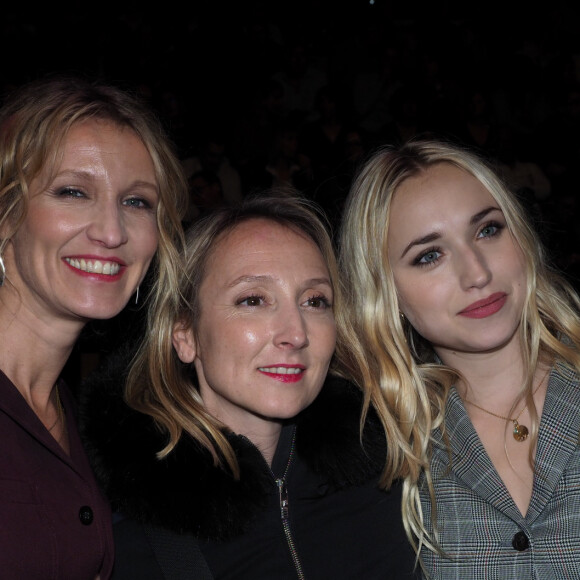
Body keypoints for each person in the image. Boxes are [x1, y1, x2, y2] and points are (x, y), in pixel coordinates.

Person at [79, 193, 419, 579]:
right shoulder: (114, 533)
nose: (295, 334)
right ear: (185, 333)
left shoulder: (390, 477)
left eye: (315, 301)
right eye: (253, 300)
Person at [337, 138, 580, 579]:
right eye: (429, 256)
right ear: (385, 293)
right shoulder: (386, 450)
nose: (478, 273)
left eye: (487, 230)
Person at [0, 75, 187, 579]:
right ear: (5, 213)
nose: (111, 232)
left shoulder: (81, 417)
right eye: (73, 191)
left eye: (136, 202)